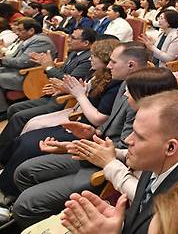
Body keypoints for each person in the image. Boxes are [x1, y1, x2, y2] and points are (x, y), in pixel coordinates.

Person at [10, 42, 150, 227]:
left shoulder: (142, 96)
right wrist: (91, 132)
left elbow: (127, 150)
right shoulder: (125, 83)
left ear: (131, 65)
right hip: (96, 147)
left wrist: (80, 144)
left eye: (113, 62)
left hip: (106, 163)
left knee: (26, 203)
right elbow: (108, 126)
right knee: (24, 171)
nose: (108, 66)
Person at [59, 90, 178, 234]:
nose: (128, 139)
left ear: (170, 147)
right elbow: (143, 212)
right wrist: (118, 224)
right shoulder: (159, 158)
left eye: (139, 136)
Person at [0, 39, 122, 205]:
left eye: (94, 56)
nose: (90, 59)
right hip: (80, 121)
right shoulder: (99, 75)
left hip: (88, 130)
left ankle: (8, 191)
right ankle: (6, 173)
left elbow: (99, 118)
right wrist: (71, 90)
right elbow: (87, 94)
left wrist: (78, 93)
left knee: (29, 143)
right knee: (26, 136)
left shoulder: (115, 83)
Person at [0, 27, 95, 158]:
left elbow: (69, 81)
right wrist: (48, 68)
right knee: (14, 108)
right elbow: (62, 73)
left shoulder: (87, 59)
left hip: (64, 101)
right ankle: (9, 147)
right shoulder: (75, 53)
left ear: (86, 43)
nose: (69, 39)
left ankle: (3, 155)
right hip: (54, 94)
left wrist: (49, 67)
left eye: (73, 38)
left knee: (19, 117)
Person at [0, 18, 57, 117]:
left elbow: (23, 62)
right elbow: (15, 57)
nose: (17, 33)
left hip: (30, 76)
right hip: (19, 71)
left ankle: (3, 111)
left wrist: (2, 60)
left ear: (31, 30)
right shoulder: (30, 39)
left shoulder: (40, 41)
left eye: (20, 30)